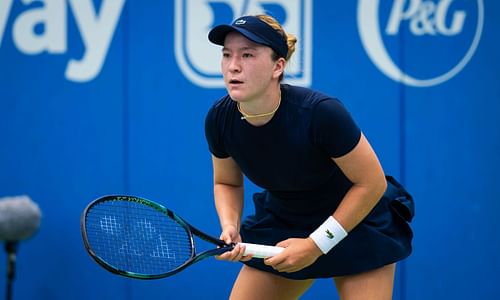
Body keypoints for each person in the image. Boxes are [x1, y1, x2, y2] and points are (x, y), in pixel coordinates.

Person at [205, 14, 414, 300]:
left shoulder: (321, 113)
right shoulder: (220, 118)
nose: (233, 66)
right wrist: (230, 226)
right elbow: (227, 183)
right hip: (285, 221)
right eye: (227, 54)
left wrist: (316, 244)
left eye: (248, 54)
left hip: (355, 221)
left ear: (277, 66)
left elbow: (372, 183)